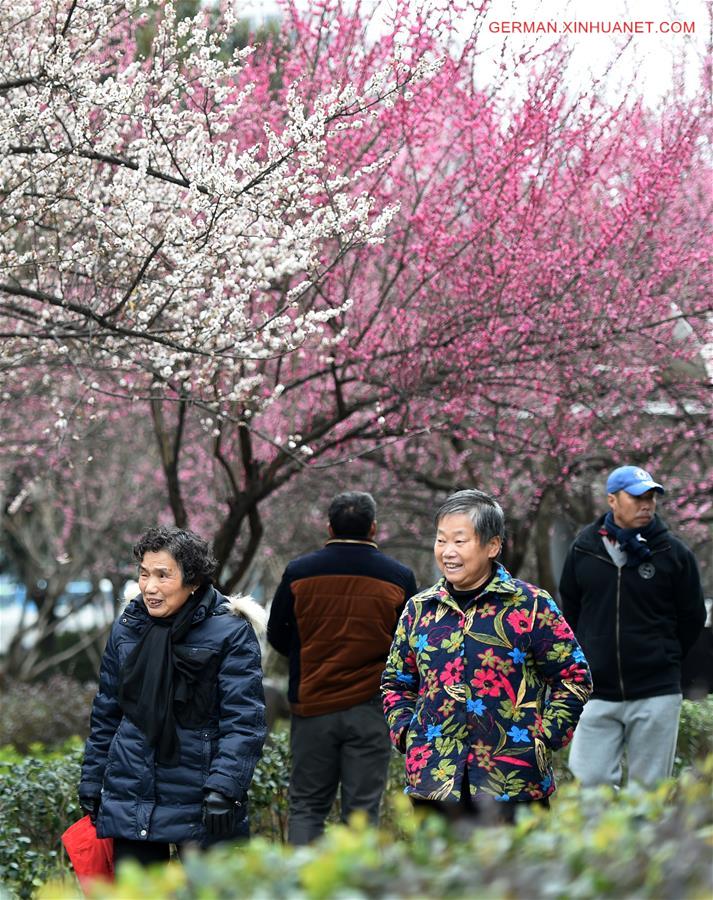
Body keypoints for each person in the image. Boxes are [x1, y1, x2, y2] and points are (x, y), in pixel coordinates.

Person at [381, 489, 592, 826]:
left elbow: (573, 676)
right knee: (438, 876)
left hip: (514, 780)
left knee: (515, 877)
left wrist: (545, 736)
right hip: (435, 780)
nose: (447, 552)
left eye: (460, 541)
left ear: (492, 546)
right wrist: (406, 735)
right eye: (441, 541)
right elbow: (396, 682)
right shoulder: (419, 609)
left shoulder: (531, 605)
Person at [78, 526, 267, 868]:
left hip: (201, 798)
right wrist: (92, 778)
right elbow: (108, 711)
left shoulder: (230, 631)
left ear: (192, 580)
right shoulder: (128, 627)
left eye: (163, 575)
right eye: (144, 574)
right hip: (132, 792)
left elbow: (244, 720)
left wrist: (224, 787)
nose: (149, 587)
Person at [267, 490, 418, 845]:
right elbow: (410, 644)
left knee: (306, 806)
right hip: (371, 709)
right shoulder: (399, 577)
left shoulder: (299, 572)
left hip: (311, 708)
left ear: (329, 527)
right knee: (363, 812)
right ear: (374, 528)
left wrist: (307, 658)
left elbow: (277, 634)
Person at [559, 465, 706, 788]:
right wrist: (586, 658)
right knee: (589, 783)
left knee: (648, 792)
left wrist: (663, 654)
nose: (647, 504)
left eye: (651, 497)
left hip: (656, 690)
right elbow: (570, 611)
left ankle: (645, 841)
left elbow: (692, 616)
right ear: (612, 500)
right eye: (638, 497)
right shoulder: (583, 550)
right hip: (597, 690)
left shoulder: (673, 554)